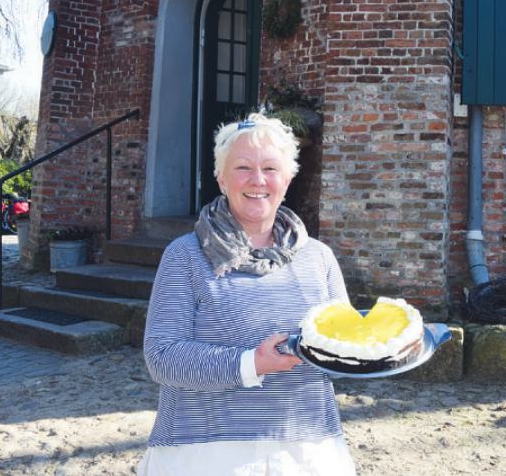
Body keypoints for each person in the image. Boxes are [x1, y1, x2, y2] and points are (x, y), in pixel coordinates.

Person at [138, 112, 357, 476]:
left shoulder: (319, 258)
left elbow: (342, 356)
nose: (258, 180)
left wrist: (386, 346)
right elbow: (162, 357)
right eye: (242, 167)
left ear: (287, 180)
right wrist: (251, 363)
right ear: (221, 178)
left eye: (271, 168)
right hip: (204, 452)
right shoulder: (185, 255)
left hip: (308, 452)